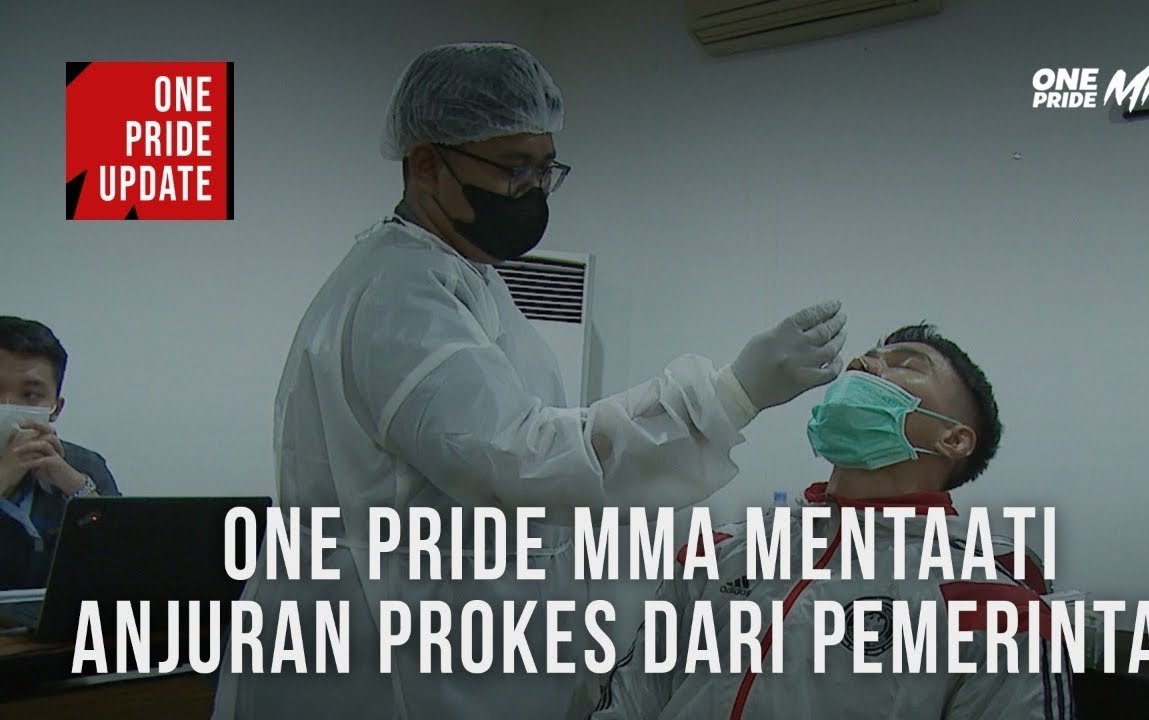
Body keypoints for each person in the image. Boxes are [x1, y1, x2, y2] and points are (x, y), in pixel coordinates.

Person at [211, 42, 847, 719]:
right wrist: (726, 398)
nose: (535, 191)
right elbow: (518, 461)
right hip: (381, 663)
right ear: (427, 164)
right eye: (515, 168)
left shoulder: (467, 278)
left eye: (547, 169)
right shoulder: (401, 294)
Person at [590, 323, 1075, 720]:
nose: (862, 363)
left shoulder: (994, 605)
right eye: (868, 356)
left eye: (907, 364)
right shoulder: (719, 551)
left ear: (954, 439)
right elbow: (632, 701)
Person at [0, 317, 120, 590]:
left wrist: (77, 488)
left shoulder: (84, 464)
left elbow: (126, 556)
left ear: (56, 408)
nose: (8, 405)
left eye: (31, 395)